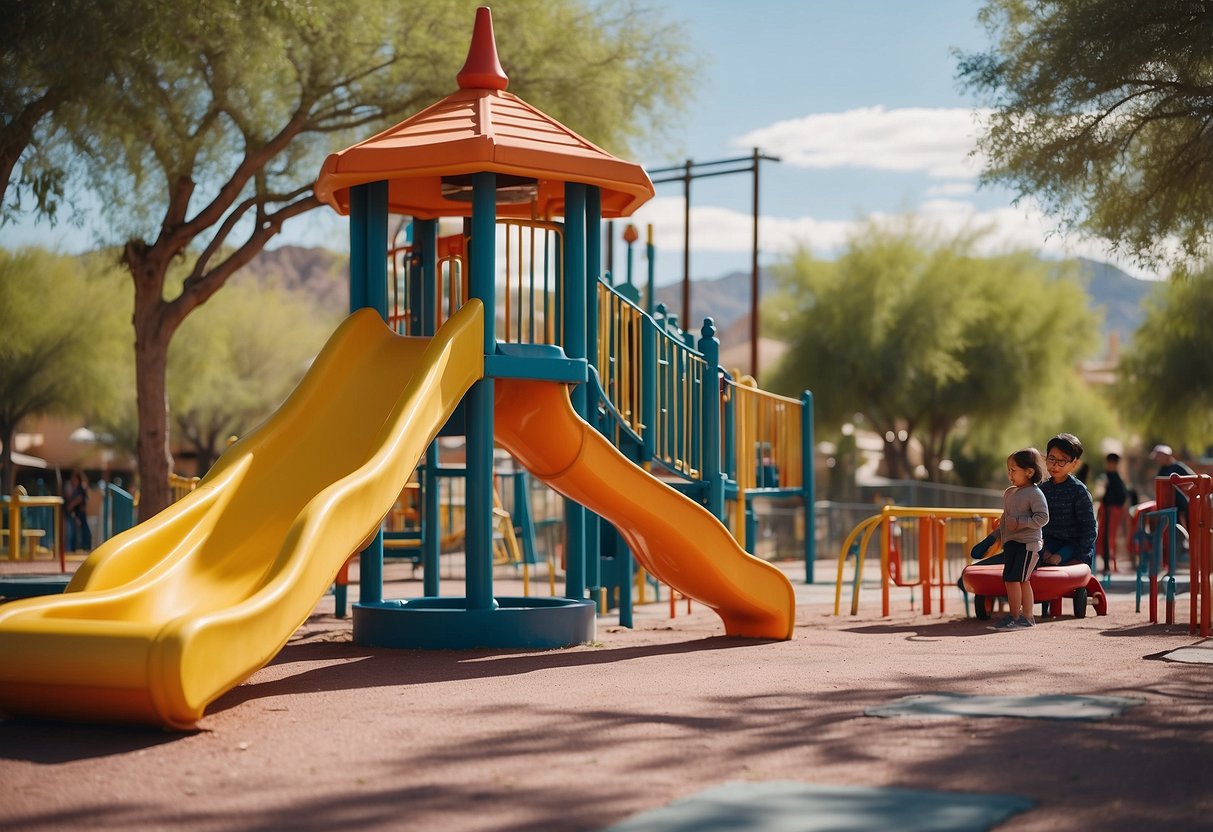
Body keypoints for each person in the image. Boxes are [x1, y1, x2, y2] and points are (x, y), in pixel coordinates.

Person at [990, 447, 1050, 630]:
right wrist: (997, 533)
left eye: (1013, 470)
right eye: (1008, 470)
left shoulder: (1034, 493)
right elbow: (1006, 518)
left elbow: (1043, 517)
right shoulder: (1010, 492)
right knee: (1012, 579)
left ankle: (1023, 618)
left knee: (1018, 579)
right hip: (1012, 543)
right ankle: (1016, 616)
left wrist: (1019, 522)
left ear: (1029, 472)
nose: (1009, 474)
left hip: (1028, 544)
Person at [1038, 433, 1097, 569]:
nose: (1055, 466)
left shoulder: (1079, 491)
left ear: (1074, 464)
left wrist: (1076, 556)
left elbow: (1089, 529)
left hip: (1072, 545)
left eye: (1062, 461)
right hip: (1046, 543)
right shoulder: (1041, 489)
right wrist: (1043, 550)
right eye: (1052, 459)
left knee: (1057, 559)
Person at [1094, 452, 1130, 575]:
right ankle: (1107, 566)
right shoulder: (1106, 477)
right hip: (1109, 510)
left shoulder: (1115, 476)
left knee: (1112, 537)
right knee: (1106, 537)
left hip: (1115, 511)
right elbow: (1101, 495)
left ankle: (1112, 564)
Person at [1151, 444, 1195, 527]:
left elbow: (1193, 481)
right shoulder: (1162, 470)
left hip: (1181, 507)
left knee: (1184, 528)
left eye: (1158, 456)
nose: (1156, 460)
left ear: (1165, 456)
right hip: (1169, 506)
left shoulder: (1178, 467)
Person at [64, 469, 92, 554]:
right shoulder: (76, 488)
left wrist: (70, 506)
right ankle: (77, 547)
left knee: (81, 530)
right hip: (76, 512)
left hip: (79, 512)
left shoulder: (81, 488)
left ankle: (85, 546)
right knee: (76, 531)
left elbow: (80, 499)